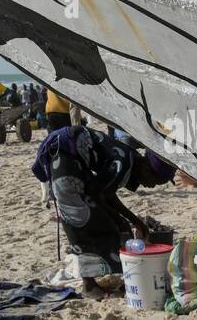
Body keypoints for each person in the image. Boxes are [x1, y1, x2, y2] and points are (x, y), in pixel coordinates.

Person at [33, 124, 175, 299]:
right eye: (154, 181)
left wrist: (133, 221)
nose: (150, 186)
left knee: (117, 223)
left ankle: (118, 276)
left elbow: (105, 192)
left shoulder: (129, 158)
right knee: (84, 219)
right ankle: (89, 286)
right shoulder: (123, 163)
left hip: (72, 158)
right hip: (64, 159)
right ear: (147, 169)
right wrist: (125, 219)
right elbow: (97, 192)